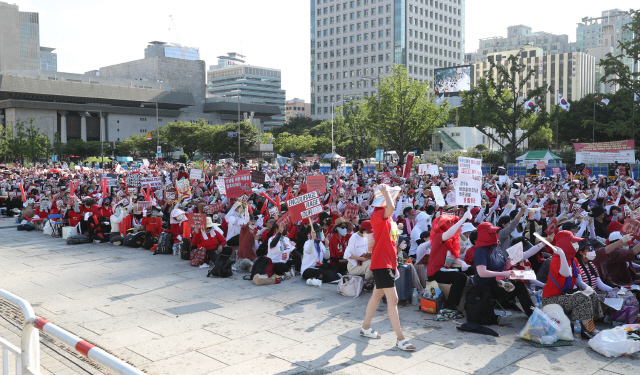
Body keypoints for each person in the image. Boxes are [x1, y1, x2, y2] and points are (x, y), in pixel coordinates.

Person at [361, 184, 415, 351]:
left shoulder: (388, 218)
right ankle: (400, 338)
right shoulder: (377, 214)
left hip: (388, 262)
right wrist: (386, 191)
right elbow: (391, 206)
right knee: (393, 300)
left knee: (376, 297)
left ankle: (365, 327)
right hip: (382, 263)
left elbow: (390, 238)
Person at [541, 230, 604, 339]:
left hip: (565, 295)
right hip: (551, 298)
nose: (576, 245)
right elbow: (566, 273)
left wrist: (587, 288)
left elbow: (578, 281)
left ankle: (590, 324)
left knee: (592, 294)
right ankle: (586, 328)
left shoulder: (573, 259)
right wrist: (562, 255)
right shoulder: (556, 259)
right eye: (572, 243)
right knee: (581, 297)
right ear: (564, 244)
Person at [473, 222, 535, 317]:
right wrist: (504, 274)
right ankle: (533, 314)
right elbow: (482, 273)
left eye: (494, 232)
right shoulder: (480, 250)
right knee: (520, 286)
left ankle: (532, 313)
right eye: (491, 233)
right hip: (486, 285)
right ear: (484, 234)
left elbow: (505, 265)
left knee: (522, 279)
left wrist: (513, 258)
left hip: (499, 280)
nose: (495, 234)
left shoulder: (495, 247)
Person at [426, 212, 472, 319]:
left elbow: (453, 259)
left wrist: (462, 263)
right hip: (435, 273)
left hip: (446, 269)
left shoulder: (451, 241)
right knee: (461, 277)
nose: (452, 225)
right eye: (450, 223)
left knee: (472, 270)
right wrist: (463, 219)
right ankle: (450, 305)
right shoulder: (438, 237)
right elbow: (449, 233)